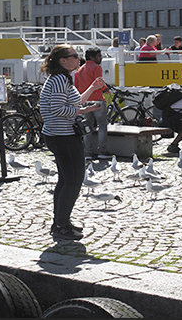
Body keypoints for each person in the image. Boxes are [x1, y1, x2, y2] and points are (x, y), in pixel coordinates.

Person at [39, 44, 106, 241]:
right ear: (63, 61)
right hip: (63, 136)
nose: (79, 59)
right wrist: (85, 111)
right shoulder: (60, 79)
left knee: (66, 180)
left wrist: (92, 89)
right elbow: (58, 109)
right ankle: (62, 225)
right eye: (74, 56)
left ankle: (60, 221)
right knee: (73, 180)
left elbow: (74, 103)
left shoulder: (62, 79)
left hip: (61, 135)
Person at [74, 47, 112, 160]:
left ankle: (88, 152)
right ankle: (102, 151)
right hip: (97, 100)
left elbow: (76, 87)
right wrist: (106, 89)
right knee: (102, 126)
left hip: (85, 102)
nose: (101, 58)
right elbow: (99, 82)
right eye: (99, 56)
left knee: (87, 127)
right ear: (92, 57)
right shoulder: (97, 67)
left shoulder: (79, 70)